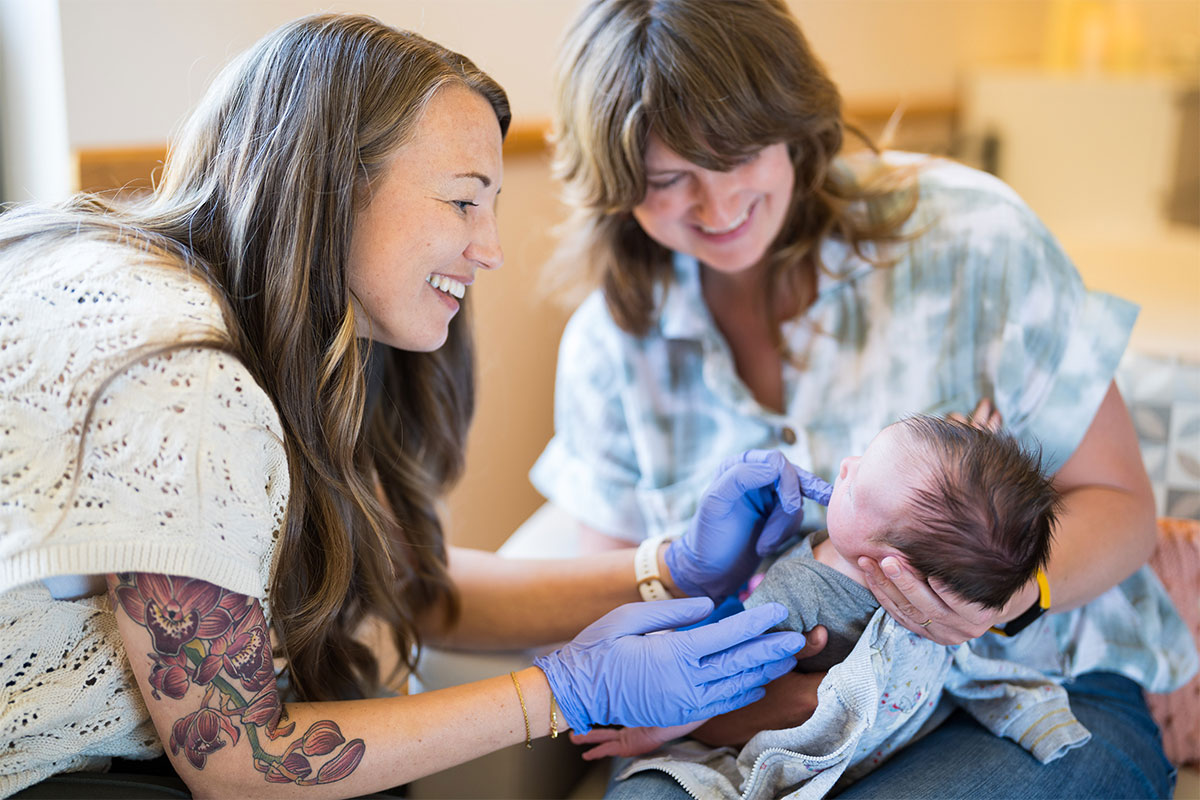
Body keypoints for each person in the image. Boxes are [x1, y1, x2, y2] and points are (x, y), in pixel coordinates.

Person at [0, 14, 815, 799]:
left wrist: (671, 570)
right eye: (463, 201)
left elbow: (398, 580)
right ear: (326, 186)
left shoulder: (241, 320)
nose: (491, 249)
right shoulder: (185, 378)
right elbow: (241, 767)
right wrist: (565, 692)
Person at [530, 0, 1198, 796]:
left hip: (1015, 688)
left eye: (739, 155)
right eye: (670, 180)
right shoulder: (612, 347)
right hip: (719, 733)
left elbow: (1121, 506)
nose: (718, 207)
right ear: (615, 185)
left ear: (791, 123)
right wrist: (779, 707)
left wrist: (1009, 597)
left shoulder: (971, 240)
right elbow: (621, 619)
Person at [572, 413, 1063, 765]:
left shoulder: (799, 592)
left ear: (893, 567)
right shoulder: (913, 582)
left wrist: (648, 734)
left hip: (786, 739)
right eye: (862, 458)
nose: (845, 465)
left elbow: (715, 678)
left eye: (855, 487)